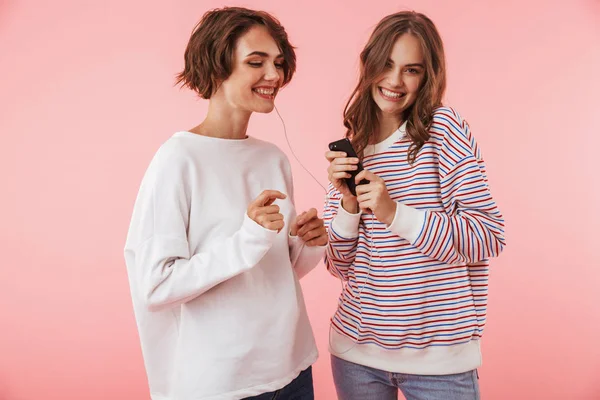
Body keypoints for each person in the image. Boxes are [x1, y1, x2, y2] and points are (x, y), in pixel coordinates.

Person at [124, 7, 326, 400]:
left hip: (293, 368)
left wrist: (307, 244)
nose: (275, 75)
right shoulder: (178, 159)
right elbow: (156, 286)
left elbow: (274, 275)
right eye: (256, 62)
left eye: (279, 63)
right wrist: (246, 238)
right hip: (223, 384)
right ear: (217, 65)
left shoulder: (273, 158)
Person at [323, 11, 506, 400]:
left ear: (428, 77)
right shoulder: (353, 143)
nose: (393, 81)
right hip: (357, 356)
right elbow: (337, 265)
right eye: (386, 65)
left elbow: (488, 236)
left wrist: (394, 213)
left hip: (440, 363)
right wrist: (348, 205)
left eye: (411, 70)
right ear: (368, 64)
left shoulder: (442, 129)